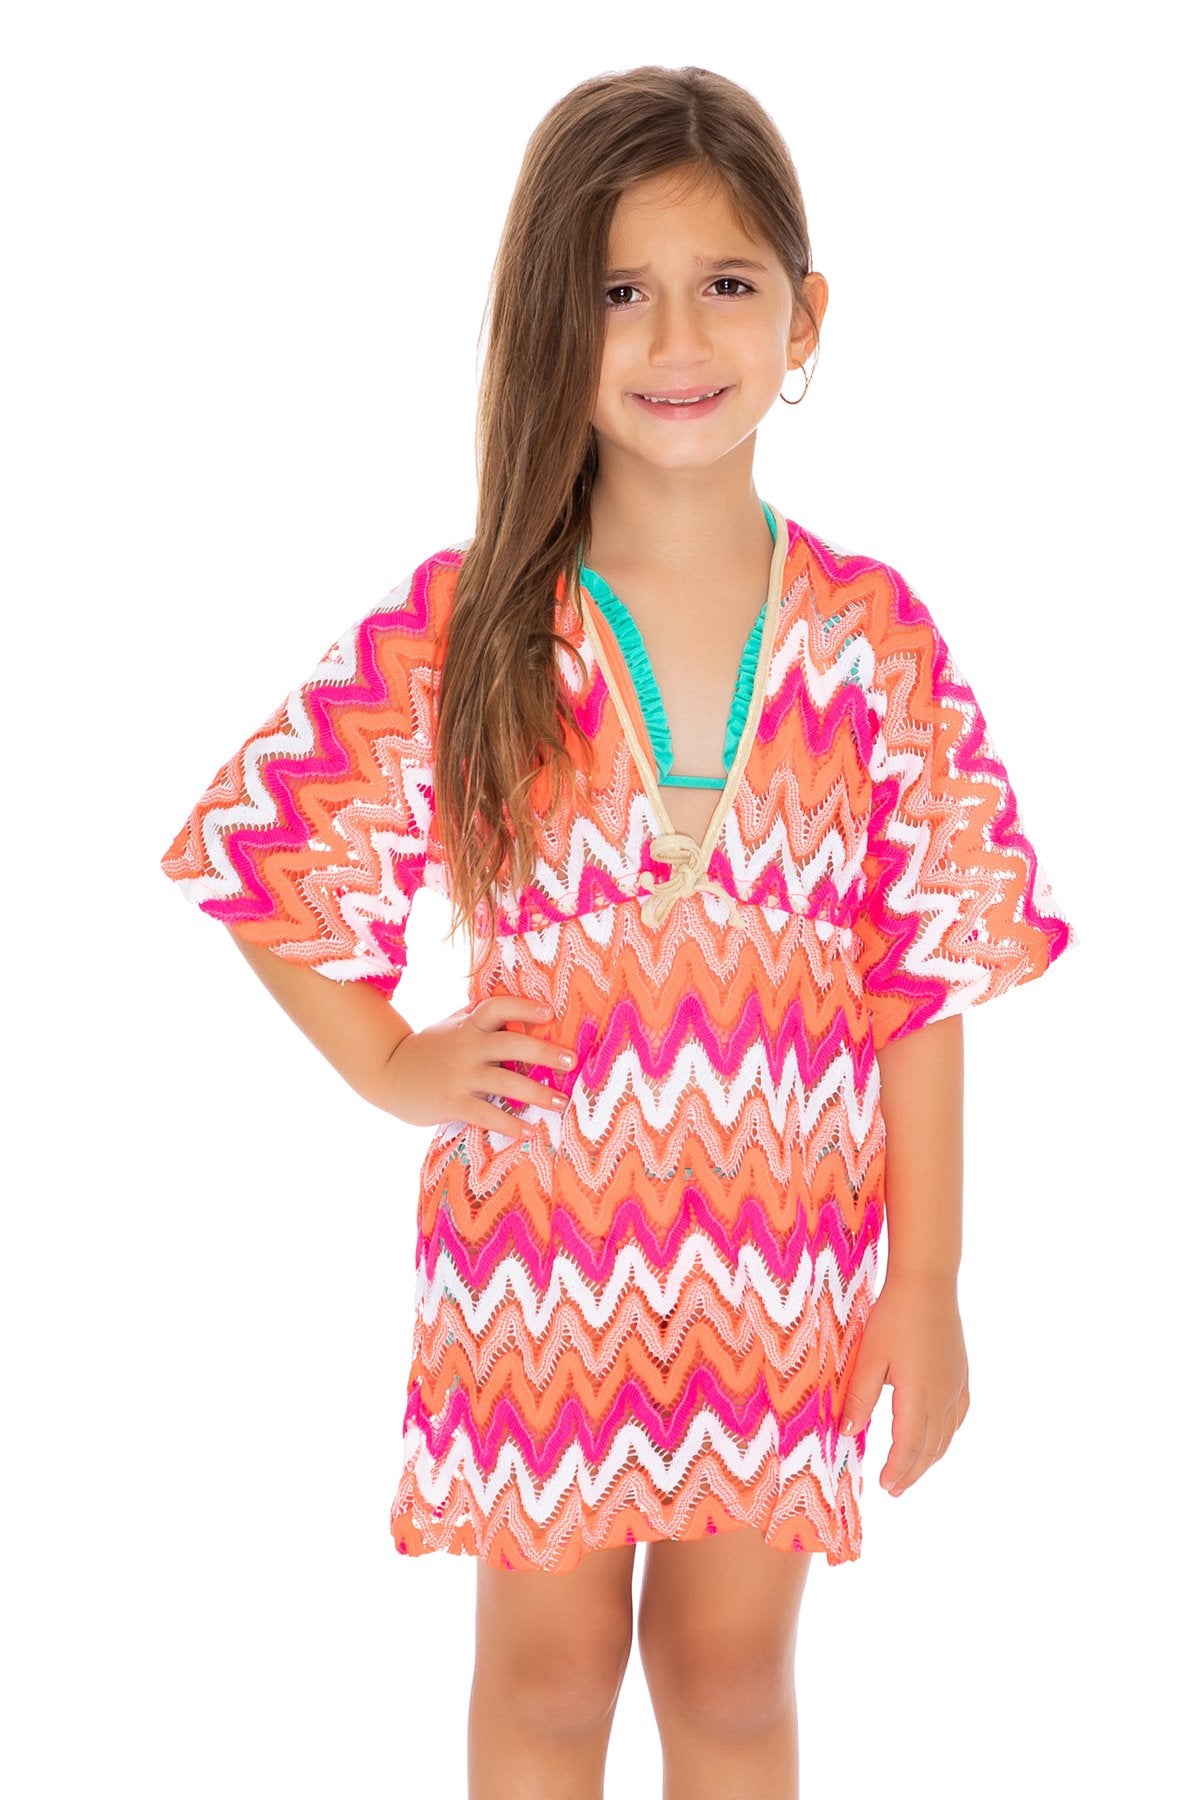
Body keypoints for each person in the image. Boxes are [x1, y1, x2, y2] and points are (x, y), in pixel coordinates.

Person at [159, 63, 1074, 1800]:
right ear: (549, 326)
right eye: (617, 291)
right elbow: (265, 855)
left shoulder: (872, 641)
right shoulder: (476, 622)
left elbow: (928, 975)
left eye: (725, 283)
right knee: (550, 1670)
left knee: (731, 1675)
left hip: (788, 1257)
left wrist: (928, 1280)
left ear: (805, 317)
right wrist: (393, 1062)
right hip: (541, 1258)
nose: (676, 336)